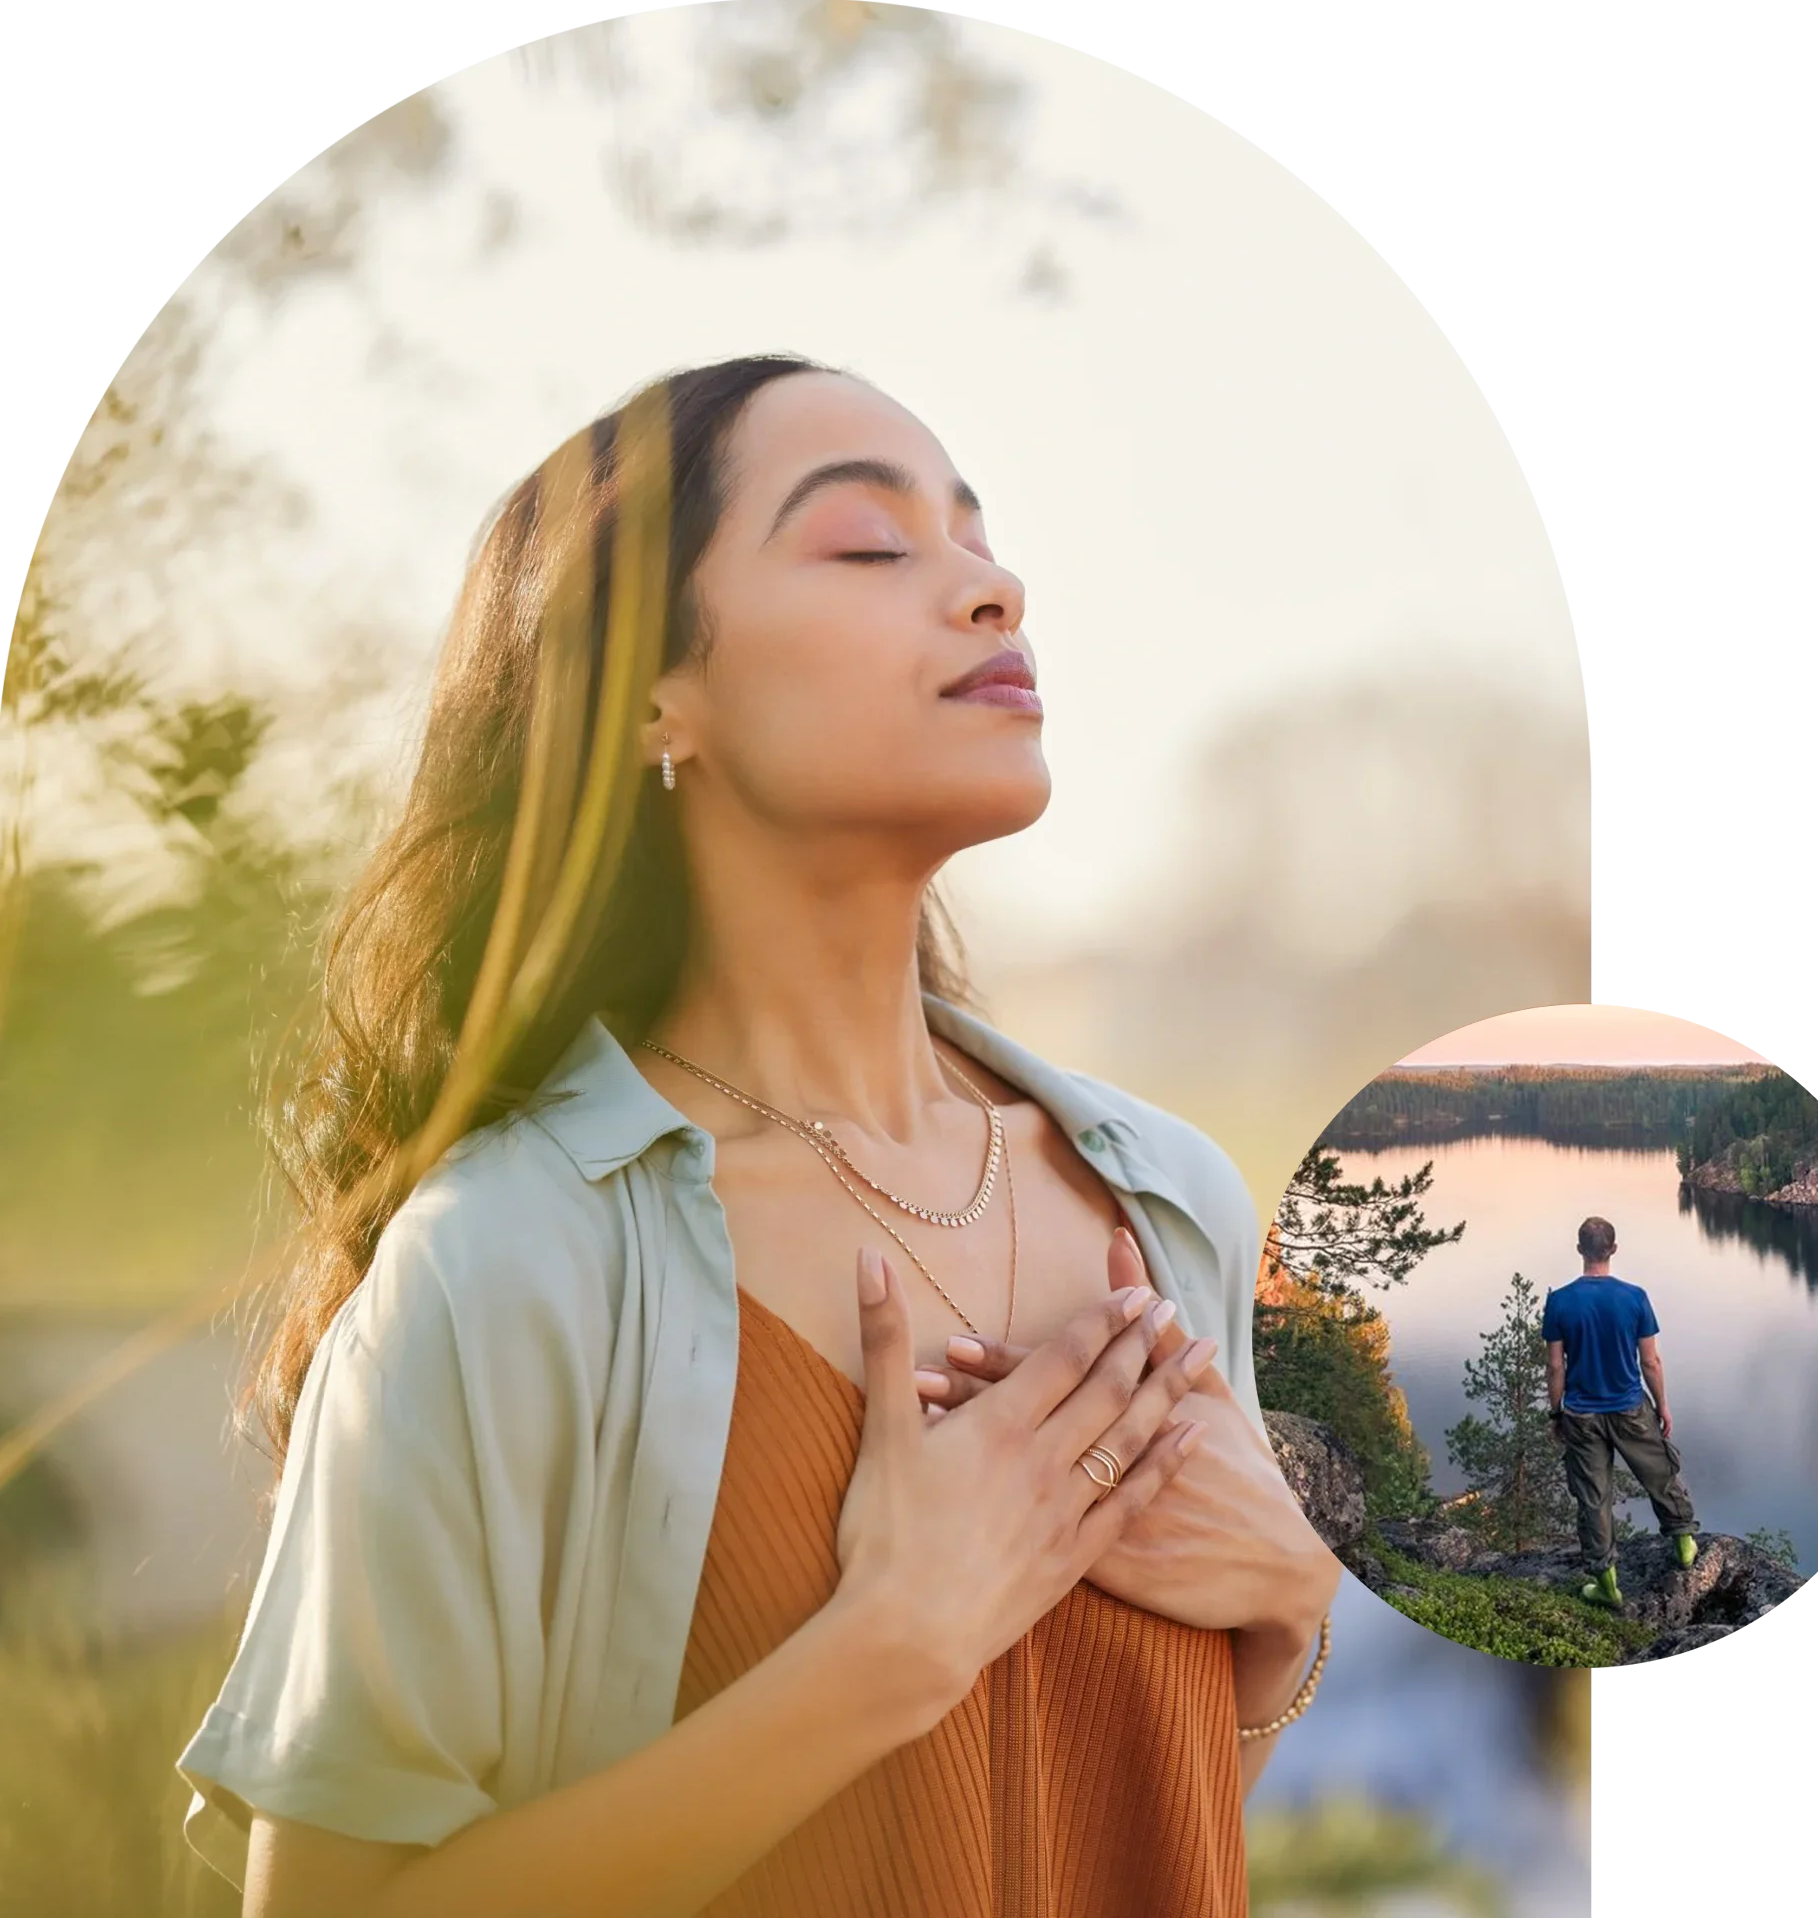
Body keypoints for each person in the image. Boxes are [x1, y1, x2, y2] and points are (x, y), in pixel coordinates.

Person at [174, 355, 1343, 1918]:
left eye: (979, 539)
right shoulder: (508, 1261)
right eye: (871, 545)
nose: (993, 589)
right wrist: (886, 1653)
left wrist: (1285, 1615)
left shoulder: (1172, 1200)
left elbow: (1123, 1817)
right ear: (656, 696)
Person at [1544, 1215, 1699, 1609]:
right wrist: (1662, 1406)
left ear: (1580, 1250)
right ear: (1613, 1250)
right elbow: (1651, 1363)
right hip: (1629, 1406)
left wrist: (1556, 1412)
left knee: (1593, 1497)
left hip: (1580, 1413)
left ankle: (1606, 1582)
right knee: (1659, 1473)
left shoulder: (1559, 1301)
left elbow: (1556, 1366)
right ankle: (1683, 1541)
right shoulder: (1634, 1297)